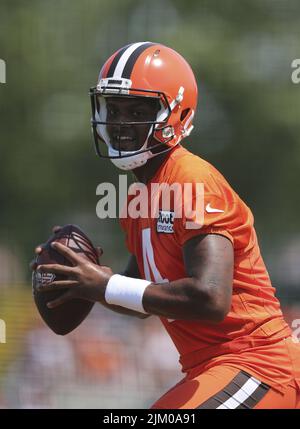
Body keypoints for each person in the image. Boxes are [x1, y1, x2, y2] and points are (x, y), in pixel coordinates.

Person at [33, 42, 300, 409]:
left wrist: (105, 285)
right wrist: (84, 281)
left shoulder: (191, 178)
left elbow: (210, 298)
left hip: (257, 364)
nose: (121, 124)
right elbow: (141, 300)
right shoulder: (138, 200)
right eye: (114, 109)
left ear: (177, 114)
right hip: (214, 369)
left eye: (138, 110)